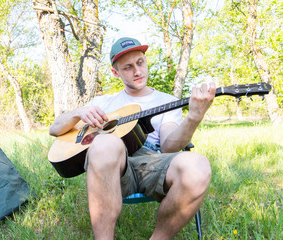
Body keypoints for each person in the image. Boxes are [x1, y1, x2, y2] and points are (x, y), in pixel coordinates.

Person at [49, 37, 216, 240]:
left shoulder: (167, 101)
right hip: (112, 168)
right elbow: (55, 129)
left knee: (198, 165)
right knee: (105, 142)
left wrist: (194, 117)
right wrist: (78, 113)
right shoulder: (104, 102)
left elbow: (169, 146)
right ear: (115, 72)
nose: (137, 71)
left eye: (140, 62)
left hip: (153, 163)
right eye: (127, 67)